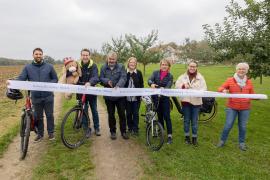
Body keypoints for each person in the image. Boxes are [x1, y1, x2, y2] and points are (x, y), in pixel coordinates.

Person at [13, 48, 58, 141]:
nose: (38, 56)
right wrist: (12, 83)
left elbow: (55, 79)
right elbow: (21, 78)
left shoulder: (49, 66)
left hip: (48, 96)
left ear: (42, 55)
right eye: (36, 54)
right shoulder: (27, 68)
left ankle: (51, 133)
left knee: (49, 115)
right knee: (38, 117)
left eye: (40, 54)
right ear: (33, 55)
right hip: (36, 97)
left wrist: (49, 84)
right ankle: (40, 134)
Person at [217, 62, 254, 151]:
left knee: (243, 126)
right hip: (232, 107)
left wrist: (259, 97)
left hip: (245, 108)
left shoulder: (249, 82)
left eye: (243, 69)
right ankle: (222, 141)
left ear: (246, 71)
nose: (241, 70)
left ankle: (241, 143)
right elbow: (220, 88)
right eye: (239, 69)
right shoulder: (230, 80)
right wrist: (223, 90)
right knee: (228, 125)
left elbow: (252, 94)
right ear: (236, 70)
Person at [175, 60, 207, 146]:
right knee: (186, 120)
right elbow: (177, 87)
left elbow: (204, 89)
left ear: (196, 67)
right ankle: (186, 137)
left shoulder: (200, 77)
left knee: (194, 121)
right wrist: (183, 86)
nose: (192, 68)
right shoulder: (182, 77)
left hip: (196, 102)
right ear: (188, 67)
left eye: (194, 66)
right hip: (186, 102)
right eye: (190, 66)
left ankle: (194, 138)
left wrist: (195, 91)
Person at [100, 51, 129, 140]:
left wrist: (118, 86)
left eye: (113, 59)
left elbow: (124, 77)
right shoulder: (103, 67)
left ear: (116, 59)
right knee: (111, 114)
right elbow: (100, 78)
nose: (111, 61)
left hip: (120, 96)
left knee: (122, 114)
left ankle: (123, 131)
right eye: (110, 59)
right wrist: (106, 81)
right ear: (107, 59)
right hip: (108, 96)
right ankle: (112, 131)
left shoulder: (121, 66)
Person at [148, 58, 173, 144]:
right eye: (162, 64)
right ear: (160, 65)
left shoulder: (170, 76)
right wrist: (151, 83)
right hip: (155, 98)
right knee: (159, 115)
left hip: (165, 98)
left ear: (168, 66)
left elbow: (168, 86)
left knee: (167, 116)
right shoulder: (155, 73)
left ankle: (170, 135)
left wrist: (164, 88)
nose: (164, 66)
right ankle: (161, 131)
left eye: (166, 65)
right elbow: (149, 80)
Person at [76, 48, 100, 137]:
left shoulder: (93, 65)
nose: (85, 57)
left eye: (87, 55)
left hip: (92, 93)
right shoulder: (77, 65)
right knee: (84, 111)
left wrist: (90, 82)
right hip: (81, 93)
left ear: (89, 56)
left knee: (94, 110)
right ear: (81, 56)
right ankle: (86, 129)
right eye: (83, 55)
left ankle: (97, 128)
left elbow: (96, 77)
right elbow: (73, 76)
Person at [124, 57, 144, 136]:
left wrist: (141, 94)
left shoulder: (138, 73)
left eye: (134, 62)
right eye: (131, 62)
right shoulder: (125, 72)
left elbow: (141, 84)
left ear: (136, 64)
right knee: (128, 113)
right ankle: (129, 128)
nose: (132, 64)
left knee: (135, 113)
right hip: (126, 98)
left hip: (136, 98)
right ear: (128, 63)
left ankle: (135, 129)